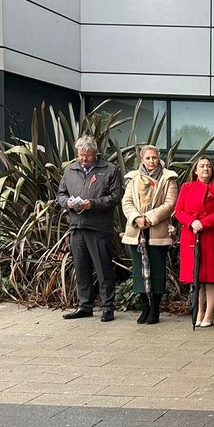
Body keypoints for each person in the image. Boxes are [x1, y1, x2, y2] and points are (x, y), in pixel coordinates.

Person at [58, 134, 122, 322]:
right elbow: (60, 194)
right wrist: (67, 202)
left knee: (103, 269)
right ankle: (84, 306)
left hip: (99, 228)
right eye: (80, 155)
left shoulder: (109, 169)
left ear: (94, 152)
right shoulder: (70, 170)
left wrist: (92, 204)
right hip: (77, 227)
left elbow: (115, 197)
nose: (83, 158)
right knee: (81, 268)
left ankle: (108, 307)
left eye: (87, 155)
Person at [120, 145, 179, 326]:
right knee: (139, 271)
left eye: (154, 158)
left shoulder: (169, 178)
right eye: (148, 158)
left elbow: (170, 203)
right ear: (141, 159)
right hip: (137, 231)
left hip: (156, 231)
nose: (151, 161)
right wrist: (137, 218)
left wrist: (150, 217)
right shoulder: (133, 178)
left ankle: (155, 309)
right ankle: (144, 307)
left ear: (158, 158)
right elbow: (127, 201)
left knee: (157, 271)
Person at [173, 156, 214, 328]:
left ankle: (209, 313)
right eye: (202, 166)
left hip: (212, 235)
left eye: (208, 166)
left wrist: (203, 223)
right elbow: (178, 210)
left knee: (212, 277)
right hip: (192, 234)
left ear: (212, 170)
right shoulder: (186, 187)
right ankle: (198, 311)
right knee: (196, 276)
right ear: (195, 170)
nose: (205, 169)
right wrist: (191, 222)